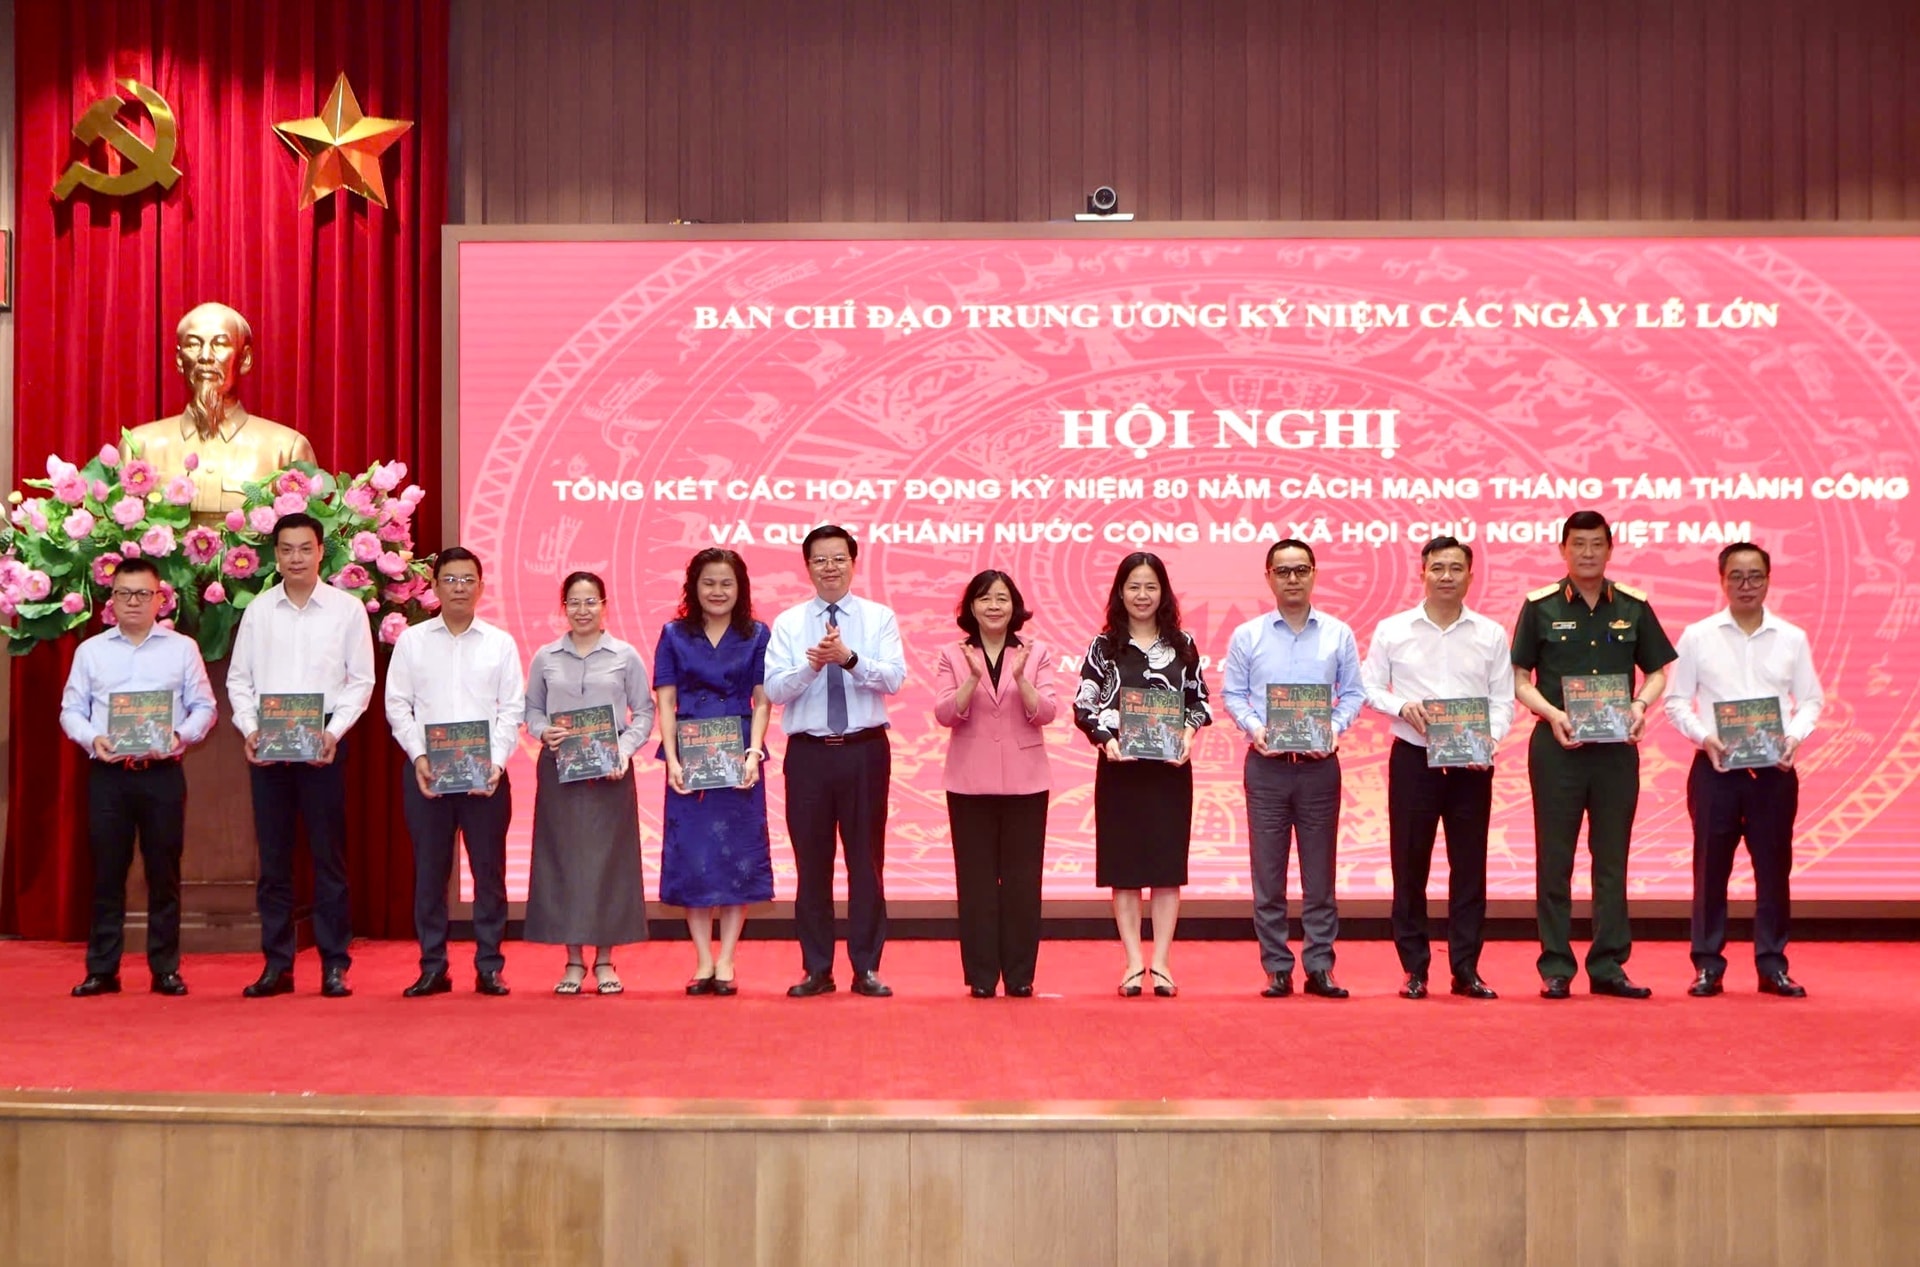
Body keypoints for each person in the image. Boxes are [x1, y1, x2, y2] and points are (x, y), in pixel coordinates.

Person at [1512, 510, 1676, 999]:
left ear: (1610, 548)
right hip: (1557, 747)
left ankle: (1608, 965)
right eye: (1578, 544)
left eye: (1596, 544)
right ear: (1562, 549)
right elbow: (1519, 679)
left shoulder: (1632, 605)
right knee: (1554, 860)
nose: (1587, 553)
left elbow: (1658, 671)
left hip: (1616, 752)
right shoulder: (1539, 606)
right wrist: (1552, 714)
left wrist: (1640, 705)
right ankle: (1556, 966)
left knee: (1612, 860)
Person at [227, 511, 376, 999]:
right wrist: (250, 729)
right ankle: (277, 965)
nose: (296, 558)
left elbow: (361, 681)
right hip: (269, 747)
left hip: (324, 745)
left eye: (305, 548)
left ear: (320, 552)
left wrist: (334, 732)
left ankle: (334, 965)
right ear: (275, 555)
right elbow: (239, 680)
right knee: (274, 862)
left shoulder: (347, 610)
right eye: (287, 549)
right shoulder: (258, 611)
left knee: (328, 858)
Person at [1663, 543, 1823, 999]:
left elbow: (1811, 699)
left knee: (1773, 869)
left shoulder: (1791, 637)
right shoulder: (1698, 636)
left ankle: (1772, 964)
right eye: (1736, 576)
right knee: (1710, 869)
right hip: (1716, 768)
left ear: (1768, 580)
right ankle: (1707, 964)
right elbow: (1676, 701)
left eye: (1755, 576)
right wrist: (1704, 737)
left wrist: (1793, 738)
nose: (1746, 585)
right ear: (1722, 580)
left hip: (1773, 771)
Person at [1359, 536, 1514, 1000]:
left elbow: (1503, 700)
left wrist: (1490, 739)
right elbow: (1369, 687)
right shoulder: (1393, 629)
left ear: (1470, 575)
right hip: (1414, 759)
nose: (1447, 576)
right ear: (1422, 573)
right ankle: (1415, 969)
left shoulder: (1490, 633)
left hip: (1471, 763)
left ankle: (1466, 968)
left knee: (1470, 867)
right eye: (1438, 568)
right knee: (1410, 865)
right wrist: (1401, 706)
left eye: (1456, 568)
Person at [59, 557, 218, 997]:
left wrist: (178, 736)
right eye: (124, 594)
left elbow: (205, 707)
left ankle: (165, 968)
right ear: (110, 601)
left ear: (159, 599)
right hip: (108, 775)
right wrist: (92, 738)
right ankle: (102, 970)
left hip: (161, 774)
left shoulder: (182, 649)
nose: (133, 602)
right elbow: (71, 710)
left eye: (142, 594)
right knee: (107, 873)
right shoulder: (91, 651)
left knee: (163, 873)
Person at [764, 525, 907, 998]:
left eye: (838, 559)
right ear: (807, 567)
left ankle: (867, 967)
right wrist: (812, 666)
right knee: (812, 864)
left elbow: (893, 679)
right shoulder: (788, 623)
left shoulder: (878, 617)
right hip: (808, 755)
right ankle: (817, 968)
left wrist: (848, 659)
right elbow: (775, 689)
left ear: (853, 562)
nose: (830, 568)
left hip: (865, 751)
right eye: (820, 560)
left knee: (866, 863)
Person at [1222, 539, 1364, 1000]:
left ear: (1314, 574)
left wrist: (1334, 728)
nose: (1293, 579)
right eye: (1283, 571)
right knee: (1268, 875)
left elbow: (1354, 693)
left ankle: (1320, 966)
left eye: (1301, 569)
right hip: (1266, 767)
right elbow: (1232, 694)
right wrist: (1255, 728)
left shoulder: (1338, 633)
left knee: (1320, 876)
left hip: (1320, 768)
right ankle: (1277, 967)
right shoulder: (1248, 635)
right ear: (1268, 578)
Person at [385, 547, 526, 997]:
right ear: (434, 586)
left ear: (481, 587)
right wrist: (419, 756)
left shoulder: (500, 643)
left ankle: (489, 965)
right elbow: (397, 705)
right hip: (428, 774)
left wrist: (496, 763)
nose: (459, 588)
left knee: (489, 874)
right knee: (430, 874)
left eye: (468, 580)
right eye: (450, 579)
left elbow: (513, 710)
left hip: (486, 776)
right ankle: (433, 965)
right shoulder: (412, 642)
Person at [1073, 552, 1212, 998]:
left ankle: (1163, 962)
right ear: (1120, 592)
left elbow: (1199, 700)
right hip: (1120, 771)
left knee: (1167, 868)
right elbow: (1083, 704)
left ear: (1163, 592)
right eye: (1134, 586)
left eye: (1151, 586)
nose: (1142, 595)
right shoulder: (1104, 646)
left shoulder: (1183, 644)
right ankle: (1134, 961)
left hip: (1170, 772)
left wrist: (1188, 735)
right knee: (1126, 868)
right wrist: (1104, 739)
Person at [524, 571, 655, 995]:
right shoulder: (546, 656)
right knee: (562, 861)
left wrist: (623, 750)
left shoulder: (625, 655)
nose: (583, 610)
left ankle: (604, 960)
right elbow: (532, 710)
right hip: (559, 771)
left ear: (604, 606)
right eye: (574, 603)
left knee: (608, 864)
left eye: (591, 602)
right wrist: (542, 730)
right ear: (563, 607)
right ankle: (573, 961)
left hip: (610, 772)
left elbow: (645, 712)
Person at [653, 548, 774, 996]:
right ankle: (703, 958)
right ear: (694, 587)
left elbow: (762, 700)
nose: (717, 591)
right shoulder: (673, 634)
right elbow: (666, 700)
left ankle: (727, 960)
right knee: (694, 858)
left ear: (740, 588)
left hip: (739, 755)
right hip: (690, 756)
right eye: (708, 583)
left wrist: (754, 753)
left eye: (726, 583)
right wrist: (672, 760)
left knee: (737, 857)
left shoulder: (757, 634)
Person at [933, 570, 1058, 998]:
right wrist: (971, 679)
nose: (993, 606)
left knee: (1023, 883)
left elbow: (1047, 712)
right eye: (985, 598)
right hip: (969, 781)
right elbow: (945, 715)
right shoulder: (952, 654)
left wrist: (1021, 680)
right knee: (976, 884)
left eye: (1002, 598)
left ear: (1014, 606)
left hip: (1027, 782)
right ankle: (982, 977)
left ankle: (1020, 975)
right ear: (971, 607)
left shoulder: (1036, 652)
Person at [122, 302, 317, 521]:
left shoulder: (286, 449)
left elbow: (306, 536)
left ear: (245, 359)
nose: (205, 356)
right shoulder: (140, 447)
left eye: (220, 344)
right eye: (193, 345)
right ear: (179, 360)